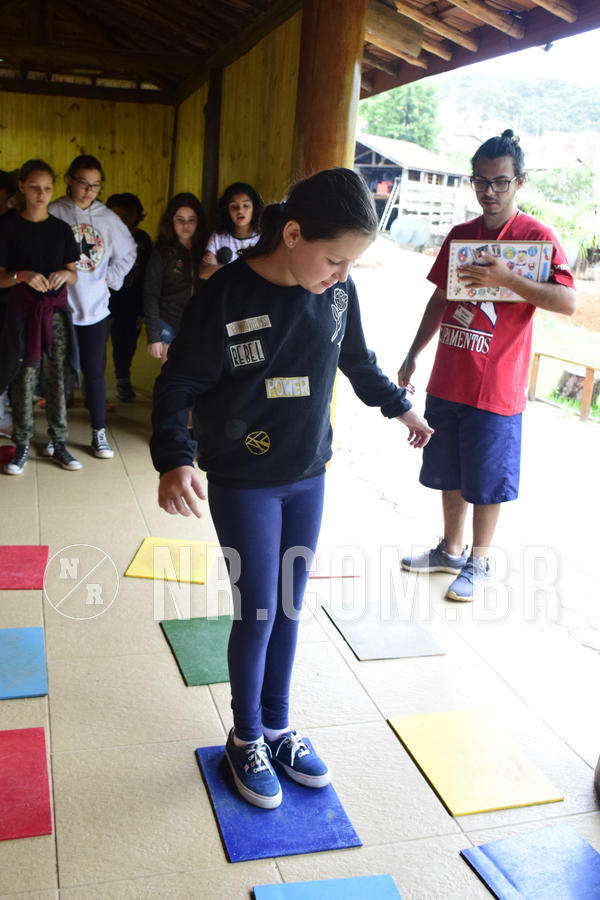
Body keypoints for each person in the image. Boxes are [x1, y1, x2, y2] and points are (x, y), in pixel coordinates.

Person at [150, 167, 433, 809]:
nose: (340, 273)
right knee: (258, 609)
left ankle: (277, 727)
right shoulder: (224, 295)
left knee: (291, 606)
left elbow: (356, 361)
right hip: (244, 479)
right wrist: (174, 457)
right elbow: (179, 384)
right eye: (333, 259)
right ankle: (244, 737)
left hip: (308, 474)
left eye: (350, 263)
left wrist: (400, 407)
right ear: (295, 232)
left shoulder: (336, 293)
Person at [399, 130, 576, 602]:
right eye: (480, 181)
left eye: (500, 182)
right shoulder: (461, 236)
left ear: (520, 181)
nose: (489, 192)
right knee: (449, 471)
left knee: (488, 479)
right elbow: (440, 298)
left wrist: (509, 279)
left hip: (498, 386)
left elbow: (567, 301)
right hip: (449, 378)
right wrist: (414, 352)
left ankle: (479, 561)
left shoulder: (537, 239)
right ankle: (450, 550)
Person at [48, 155, 137, 459]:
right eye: (83, 184)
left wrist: (109, 280)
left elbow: (129, 251)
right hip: (59, 306)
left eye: (95, 186)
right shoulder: (54, 211)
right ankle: (55, 433)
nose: (88, 191)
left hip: (96, 308)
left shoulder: (108, 218)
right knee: (59, 371)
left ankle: (99, 431)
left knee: (94, 372)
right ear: (69, 180)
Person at [0, 159, 81, 475]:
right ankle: (21, 445)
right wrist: (22, 275)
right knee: (23, 377)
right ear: (22, 186)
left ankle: (58, 442)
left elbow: (73, 275)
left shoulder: (61, 230)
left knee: (57, 378)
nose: (41, 194)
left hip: (56, 315)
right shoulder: (8, 226)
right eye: (34, 187)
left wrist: (64, 273)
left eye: (47, 188)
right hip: (21, 315)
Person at [144, 192, 206, 365]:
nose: (186, 225)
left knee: (195, 371)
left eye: (191, 220)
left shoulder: (206, 250)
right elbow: (150, 294)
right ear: (171, 221)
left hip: (198, 321)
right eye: (180, 219)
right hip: (168, 320)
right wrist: (153, 335)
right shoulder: (162, 252)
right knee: (170, 373)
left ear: (198, 221)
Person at [106, 193, 152, 401]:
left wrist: (144, 308)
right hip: (106, 300)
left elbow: (150, 274)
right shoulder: (103, 236)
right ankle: (88, 384)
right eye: (116, 216)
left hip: (133, 302)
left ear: (136, 216)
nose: (121, 221)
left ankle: (123, 378)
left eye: (126, 216)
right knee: (98, 345)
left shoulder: (142, 240)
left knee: (127, 343)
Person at [200, 181, 262, 277]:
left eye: (246, 206)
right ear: (226, 209)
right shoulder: (219, 236)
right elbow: (204, 273)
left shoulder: (262, 238)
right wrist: (245, 271)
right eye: (234, 206)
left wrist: (220, 268)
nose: (240, 210)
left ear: (254, 208)